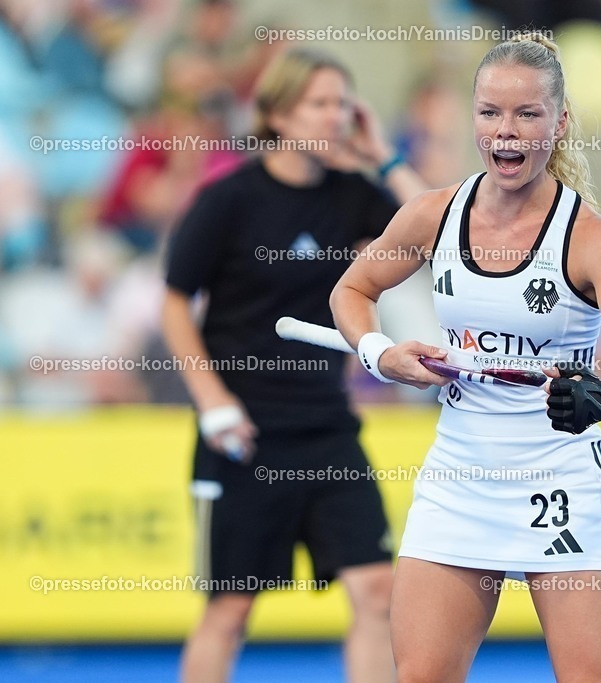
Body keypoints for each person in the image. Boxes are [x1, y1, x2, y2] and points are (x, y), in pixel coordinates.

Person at [331, 33, 601, 683]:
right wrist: (379, 353)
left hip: (559, 482)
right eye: (490, 113)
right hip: (459, 479)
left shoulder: (593, 239)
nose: (506, 132)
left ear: (560, 121)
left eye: (527, 114)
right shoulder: (432, 215)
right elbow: (351, 290)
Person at [162, 48, 426, 683]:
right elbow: (175, 302)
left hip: (327, 428)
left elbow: (433, 235)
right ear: (277, 114)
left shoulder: (352, 197)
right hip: (244, 434)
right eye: (319, 103)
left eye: (342, 102)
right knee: (230, 609)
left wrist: (382, 155)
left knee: (378, 592)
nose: (335, 115)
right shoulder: (227, 199)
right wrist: (213, 403)